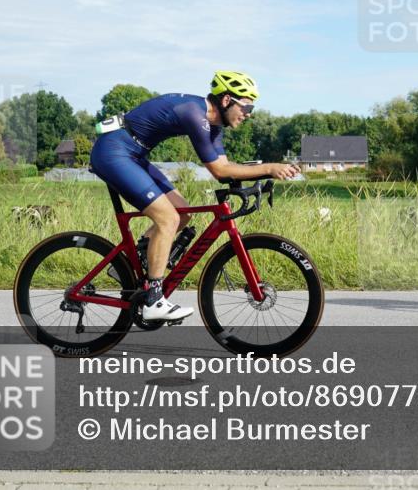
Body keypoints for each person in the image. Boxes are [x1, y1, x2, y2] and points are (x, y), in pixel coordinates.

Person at [89, 71, 299, 321]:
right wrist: (269, 168)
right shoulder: (194, 113)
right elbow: (219, 170)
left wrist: (257, 177)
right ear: (227, 100)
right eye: (247, 106)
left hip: (134, 154)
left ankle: (132, 264)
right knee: (168, 219)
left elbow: (225, 169)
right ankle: (153, 300)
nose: (249, 113)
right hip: (114, 152)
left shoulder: (214, 126)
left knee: (182, 214)